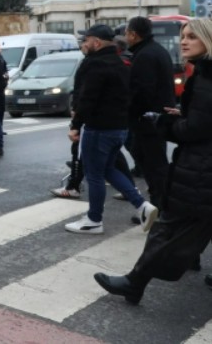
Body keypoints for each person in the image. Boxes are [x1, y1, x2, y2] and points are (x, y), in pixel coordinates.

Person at [94, 18, 212, 304]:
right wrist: (183, 116)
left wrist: (163, 123)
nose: (184, 41)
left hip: (200, 167)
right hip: (202, 165)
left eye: (192, 37)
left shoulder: (207, 78)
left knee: (167, 226)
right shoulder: (202, 72)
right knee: (189, 224)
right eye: (183, 36)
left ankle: (134, 283)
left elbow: (197, 129)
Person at [64, 25, 158, 234]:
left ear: (96, 42)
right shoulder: (120, 62)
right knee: (108, 170)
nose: (83, 44)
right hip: (120, 127)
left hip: (99, 128)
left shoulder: (95, 64)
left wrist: (75, 125)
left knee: (94, 175)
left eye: (86, 40)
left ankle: (94, 220)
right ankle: (142, 205)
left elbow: (88, 98)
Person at [125, 16, 176, 209]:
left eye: (127, 33)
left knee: (154, 164)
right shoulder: (157, 50)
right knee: (144, 156)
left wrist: (132, 112)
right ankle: (159, 203)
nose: (125, 37)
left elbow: (142, 91)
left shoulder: (145, 55)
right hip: (156, 117)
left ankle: (162, 207)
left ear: (133, 34)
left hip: (148, 119)